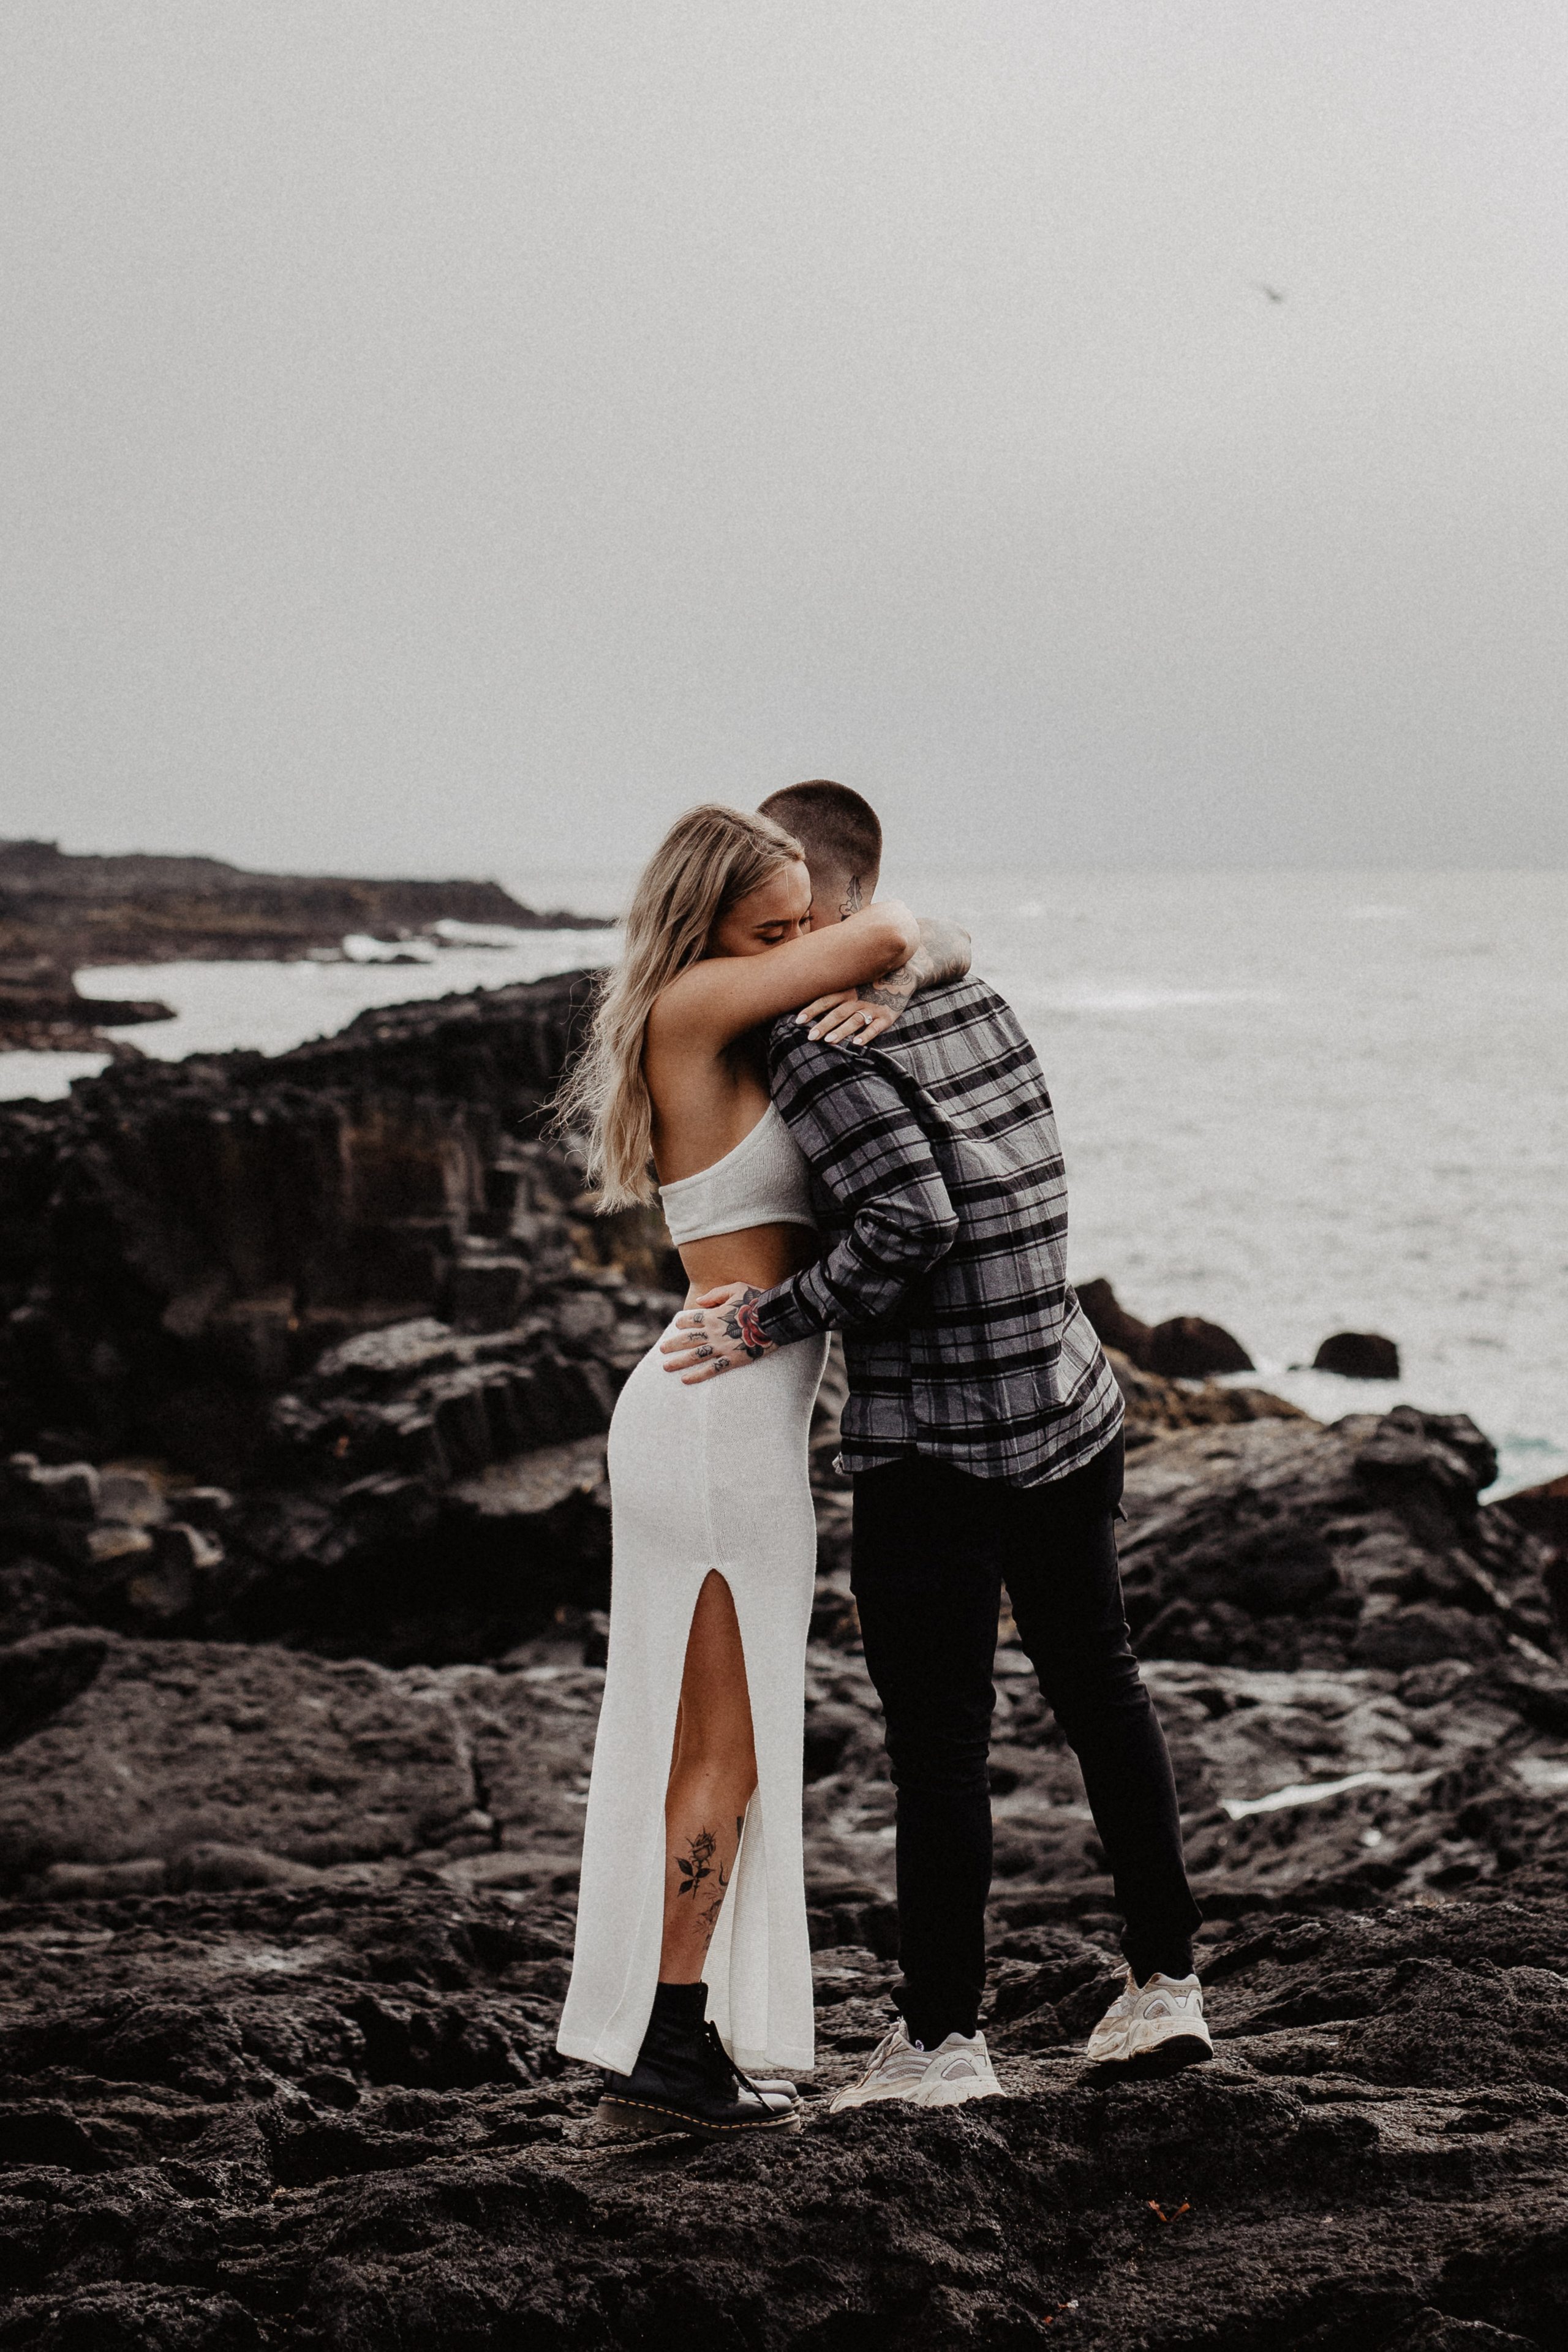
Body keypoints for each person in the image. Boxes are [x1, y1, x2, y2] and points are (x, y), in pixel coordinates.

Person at [661, 780, 1212, 2109]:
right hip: (1066, 1401)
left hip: (937, 1448)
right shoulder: (972, 993)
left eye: (793, 925)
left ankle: (942, 2042)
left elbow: (909, 1222)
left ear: (831, 910)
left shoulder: (816, 1042)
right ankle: (1165, 1985)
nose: (788, 952)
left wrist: (767, 1324)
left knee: (941, 1749)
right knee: (1102, 1691)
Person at [553, 802, 971, 2136]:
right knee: (722, 1753)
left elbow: (924, 939)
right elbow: (904, 926)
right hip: (717, 1424)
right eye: (774, 930)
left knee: (710, 1745)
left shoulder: (722, 1020)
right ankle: (672, 2042)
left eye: (805, 924)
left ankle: (677, 2028)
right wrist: (878, 952)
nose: (808, 951)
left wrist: (889, 960)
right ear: (708, 926)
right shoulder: (691, 1005)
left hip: (727, 1417)